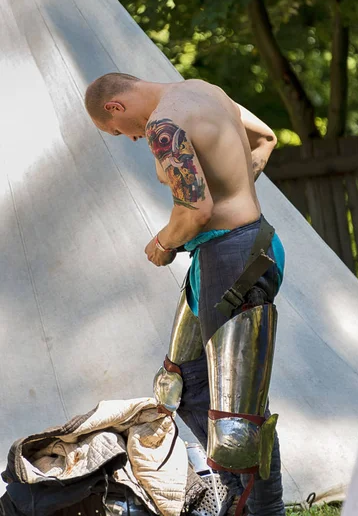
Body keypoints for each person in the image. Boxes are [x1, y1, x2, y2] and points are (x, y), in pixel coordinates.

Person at [85, 73, 286, 516]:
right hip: (239, 247)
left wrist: (163, 242)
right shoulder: (205, 91)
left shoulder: (163, 124)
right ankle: (239, 493)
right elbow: (265, 138)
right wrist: (236, 193)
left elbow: (195, 209)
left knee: (236, 418)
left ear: (116, 106)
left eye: (121, 132)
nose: (134, 139)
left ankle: (260, 508)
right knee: (180, 381)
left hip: (232, 256)